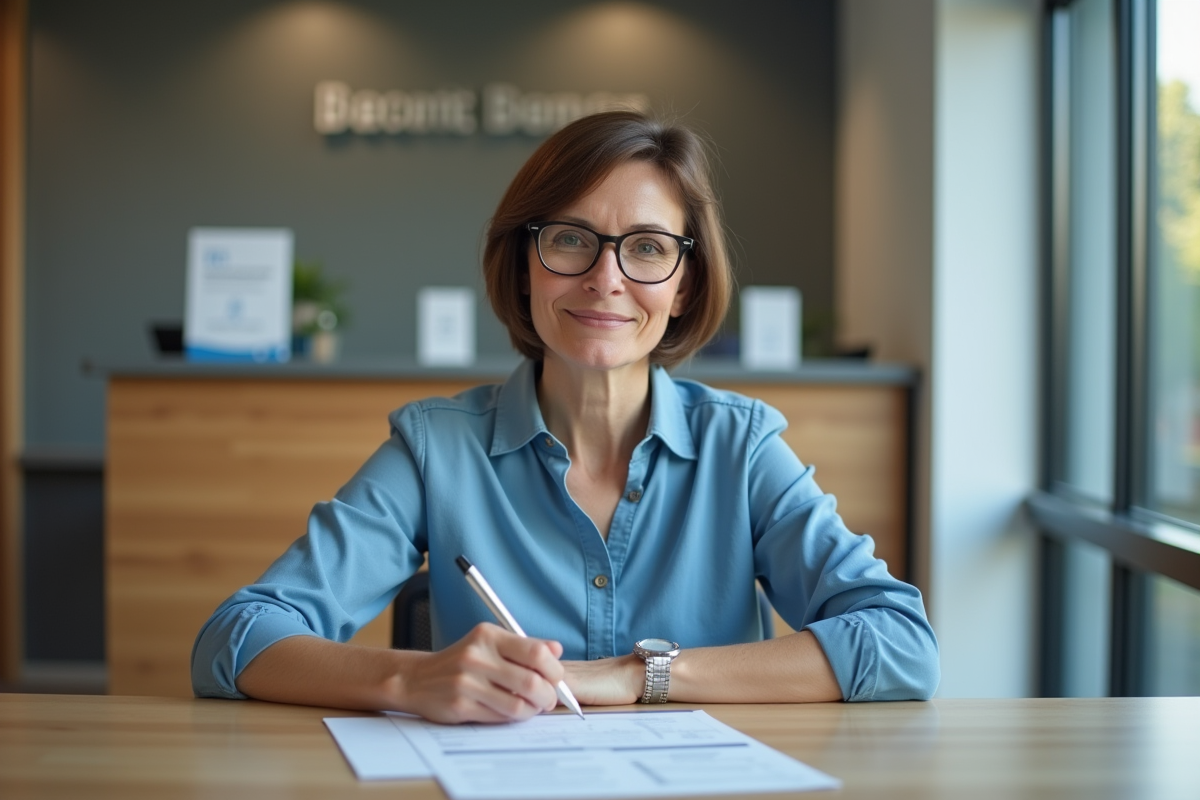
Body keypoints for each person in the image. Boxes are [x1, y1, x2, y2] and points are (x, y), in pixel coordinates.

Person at [192, 110, 939, 723]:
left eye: (646, 248)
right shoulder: (435, 448)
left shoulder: (740, 448)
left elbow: (901, 644)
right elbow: (237, 638)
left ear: (683, 285)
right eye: (571, 240)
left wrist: (637, 675)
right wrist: (407, 681)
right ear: (525, 263)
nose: (605, 279)